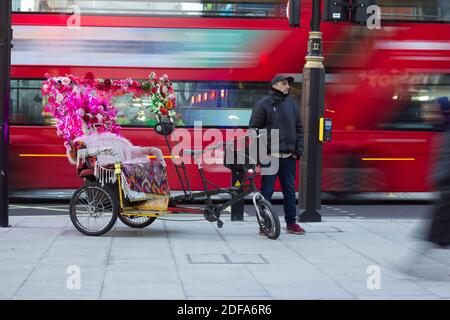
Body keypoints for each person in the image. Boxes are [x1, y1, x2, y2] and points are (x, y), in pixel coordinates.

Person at [249, 74, 305, 235]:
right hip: (269, 156)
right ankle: (265, 223)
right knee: (267, 191)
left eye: (288, 84)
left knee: (289, 191)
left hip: (288, 157)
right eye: (284, 83)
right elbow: (254, 130)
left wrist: (297, 151)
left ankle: (291, 223)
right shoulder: (263, 104)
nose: (287, 86)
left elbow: (299, 129)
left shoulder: (292, 105)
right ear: (274, 86)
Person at [425, 96, 450, 247]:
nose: (430, 116)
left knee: (435, 231)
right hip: (445, 190)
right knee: (436, 232)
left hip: (447, 191)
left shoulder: (447, 134)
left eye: (435, 112)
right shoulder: (444, 131)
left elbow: (446, 160)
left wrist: (438, 179)